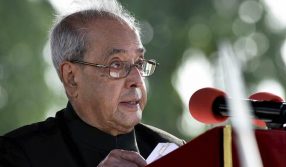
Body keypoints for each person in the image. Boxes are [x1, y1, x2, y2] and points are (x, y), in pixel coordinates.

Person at [0, 0, 185, 167]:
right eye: (116, 64)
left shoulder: (176, 151)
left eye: (139, 63)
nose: (136, 80)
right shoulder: (17, 154)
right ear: (71, 77)